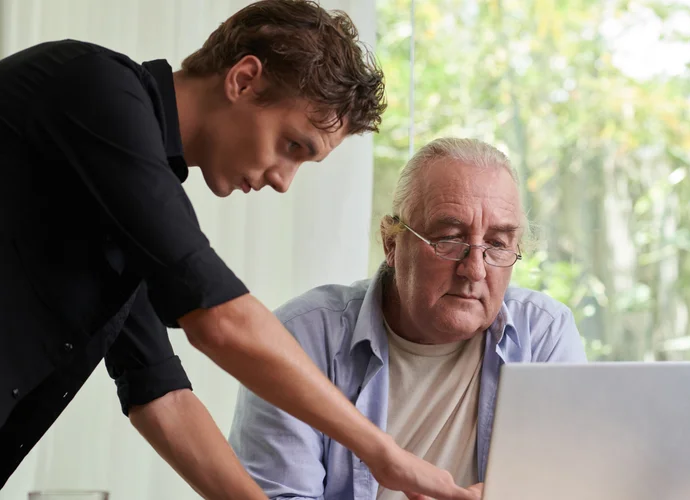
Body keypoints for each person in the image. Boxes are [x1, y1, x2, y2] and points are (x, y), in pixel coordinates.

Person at [0, 2, 478, 499]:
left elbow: (160, 395)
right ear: (244, 79)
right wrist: (387, 456)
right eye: (293, 145)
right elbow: (219, 320)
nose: (283, 180)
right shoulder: (94, 89)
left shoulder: (126, 193)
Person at [228, 137, 588, 499]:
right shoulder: (301, 338)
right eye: (449, 238)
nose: (474, 270)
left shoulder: (543, 335)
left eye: (496, 244)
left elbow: (574, 486)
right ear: (391, 243)